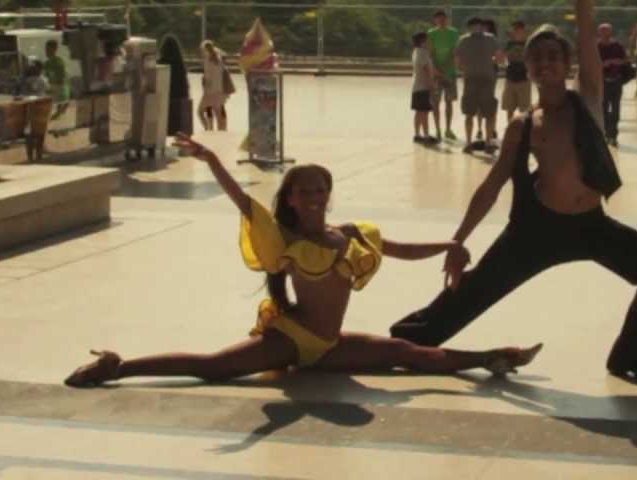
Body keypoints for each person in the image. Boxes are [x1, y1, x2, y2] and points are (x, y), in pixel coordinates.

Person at [390, 0, 637, 385]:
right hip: (536, 231)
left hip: (591, 225)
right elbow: (492, 185)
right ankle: (405, 340)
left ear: (566, 64)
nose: (546, 63)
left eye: (553, 56)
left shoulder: (587, 98)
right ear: (527, 66)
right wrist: (457, 242)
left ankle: (628, 356)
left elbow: (586, 26)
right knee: (469, 296)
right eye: (537, 57)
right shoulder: (524, 125)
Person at [64, 135, 542, 387]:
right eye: (305, 191)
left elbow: (401, 250)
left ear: (328, 194)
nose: (314, 196)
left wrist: (449, 246)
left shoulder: (350, 234)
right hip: (291, 340)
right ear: (291, 198)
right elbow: (244, 204)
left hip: (330, 345)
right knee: (213, 367)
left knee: (405, 353)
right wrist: (212, 161)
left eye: (320, 189)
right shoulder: (286, 240)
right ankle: (117, 367)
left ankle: (492, 357)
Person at [456, 17, 498, 153]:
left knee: (485, 113)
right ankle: (475, 143)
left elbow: (457, 60)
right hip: (478, 80)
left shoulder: (488, 39)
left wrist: (466, 68)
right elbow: (457, 59)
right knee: (473, 113)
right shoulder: (465, 40)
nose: (475, 28)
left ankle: (484, 142)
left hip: (480, 80)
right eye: (473, 26)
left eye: (476, 26)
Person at [427, 11, 461, 141]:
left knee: (449, 102)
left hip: (450, 72)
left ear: (447, 19)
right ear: (435, 20)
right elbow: (431, 53)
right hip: (435, 73)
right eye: (439, 19)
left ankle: (448, 129)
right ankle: (438, 130)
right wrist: (437, 69)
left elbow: (454, 52)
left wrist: (445, 68)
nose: (441, 21)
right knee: (435, 103)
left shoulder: (454, 33)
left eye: (444, 19)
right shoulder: (431, 33)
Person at [598, 23, 628, 146]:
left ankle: (613, 135)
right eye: (602, 31)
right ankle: (607, 134)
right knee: (604, 109)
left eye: (607, 31)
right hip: (602, 82)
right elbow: (591, 63)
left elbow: (626, 60)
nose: (605, 33)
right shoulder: (596, 47)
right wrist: (602, 64)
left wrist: (617, 61)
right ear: (599, 33)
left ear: (611, 32)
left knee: (615, 109)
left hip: (616, 81)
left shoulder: (618, 46)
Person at [501, 20, 533, 125]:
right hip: (510, 78)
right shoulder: (509, 44)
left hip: (524, 79)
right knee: (509, 108)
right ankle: (510, 127)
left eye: (518, 29)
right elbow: (503, 58)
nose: (516, 31)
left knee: (524, 109)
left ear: (523, 30)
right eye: (514, 29)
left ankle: (524, 129)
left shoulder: (529, 44)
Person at [410, 32, 438, 144]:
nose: (429, 42)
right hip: (423, 87)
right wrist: (431, 85)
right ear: (423, 41)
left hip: (417, 86)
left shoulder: (417, 51)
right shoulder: (422, 53)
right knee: (424, 112)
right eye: (428, 40)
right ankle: (426, 135)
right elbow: (426, 70)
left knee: (419, 112)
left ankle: (417, 134)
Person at [199, 41, 232, 131]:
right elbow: (224, 54)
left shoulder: (207, 60)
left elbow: (208, 77)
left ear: (204, 50)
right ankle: (222, 128)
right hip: (220, 89)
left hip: (210, 90)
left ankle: (209, 128)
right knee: (219, 109)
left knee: (204, 110)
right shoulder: (219, 59)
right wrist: (215, 49)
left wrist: (204, 82)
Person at [44, 39, 70, 118]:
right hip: (53, 84)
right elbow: (46, 74)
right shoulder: (47, 63)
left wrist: (61, 81)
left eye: (49, 49)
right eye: (46, 49)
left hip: (59, 84)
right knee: (53, 96)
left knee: (59, 96)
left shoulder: (58, 61)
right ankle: (62, 106)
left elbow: (63, 74)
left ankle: (61, 108)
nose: (47, 51)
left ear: (54, 49)